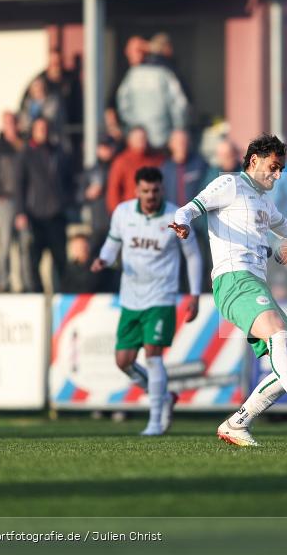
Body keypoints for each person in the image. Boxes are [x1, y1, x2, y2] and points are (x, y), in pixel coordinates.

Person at [169, 133, 287, 446]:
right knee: (277, 332)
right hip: (233, 279)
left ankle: (237, 423)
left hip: (256, 284)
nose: (278, 174)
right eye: (273, 166)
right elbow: (189, 208)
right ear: (254, 160)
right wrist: (183, 224)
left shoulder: (263, 198)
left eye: (282, 168)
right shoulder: (229, 184)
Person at [91, 166, 203, 436]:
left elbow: (193, 256)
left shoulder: (176, 217)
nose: (150, 195)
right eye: (145, 191)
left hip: (161, 297)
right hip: (130, 298)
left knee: (153, 356)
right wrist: (103, 259)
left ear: (161, 189)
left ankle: (155, 420)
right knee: (123, 361)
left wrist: (195, 295)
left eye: (155, 190)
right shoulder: (123, 213)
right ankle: (164, 397)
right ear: (136, 191)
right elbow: (112, 243)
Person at [15, 117, 72, 292]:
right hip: (35, 216)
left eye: (45, 128)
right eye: (39, 128)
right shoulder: (26, 154)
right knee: (33, 261)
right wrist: (21, 212)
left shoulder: (58, 152)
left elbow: (68, 179)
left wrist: (65, 201)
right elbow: (20, 185)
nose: (43, 132)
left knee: (61, 260)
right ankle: (37, 294)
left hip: (56, 214)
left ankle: (62, 294)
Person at [116, 38, 189, 148]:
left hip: (142, 139)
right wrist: (178, 127)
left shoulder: (131, 75)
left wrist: (133, 128)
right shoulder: (166, 73)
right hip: (163, 137)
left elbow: (123, 105)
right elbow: (180, 104)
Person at [0, 111, 25, 292]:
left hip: (23, 201)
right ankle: (2, 283)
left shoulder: (24, 145)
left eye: (13, 122)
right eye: (7, 123)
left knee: (25, 243)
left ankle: (25, 283)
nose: (11, 126)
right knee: (4, 243)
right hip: (5, 200)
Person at [105, 127, 166, 215]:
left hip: (155, 211)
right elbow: (113, 191)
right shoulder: (121, 161)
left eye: (143, 138)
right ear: (130, 141)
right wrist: (118, 214)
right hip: (130, 213)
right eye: (138, 139)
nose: (141, 141)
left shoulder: (156, 159)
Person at [80, 137, 118, 254]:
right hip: (97, 224)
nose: (105, 151)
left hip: (117, 223)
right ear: (98, 150)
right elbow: (78, 196)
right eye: (103, 148)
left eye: (108, 148)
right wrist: (87, 194)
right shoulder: (91, 171)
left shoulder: (118, 169)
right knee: (96, 257)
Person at [161, 130, 208, 207]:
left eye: (184, 141)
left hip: (197, 215)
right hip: (173, 216)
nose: (182, 145)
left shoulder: (200, 164)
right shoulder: (165, 169)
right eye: (178, 142)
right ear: (170, 144)